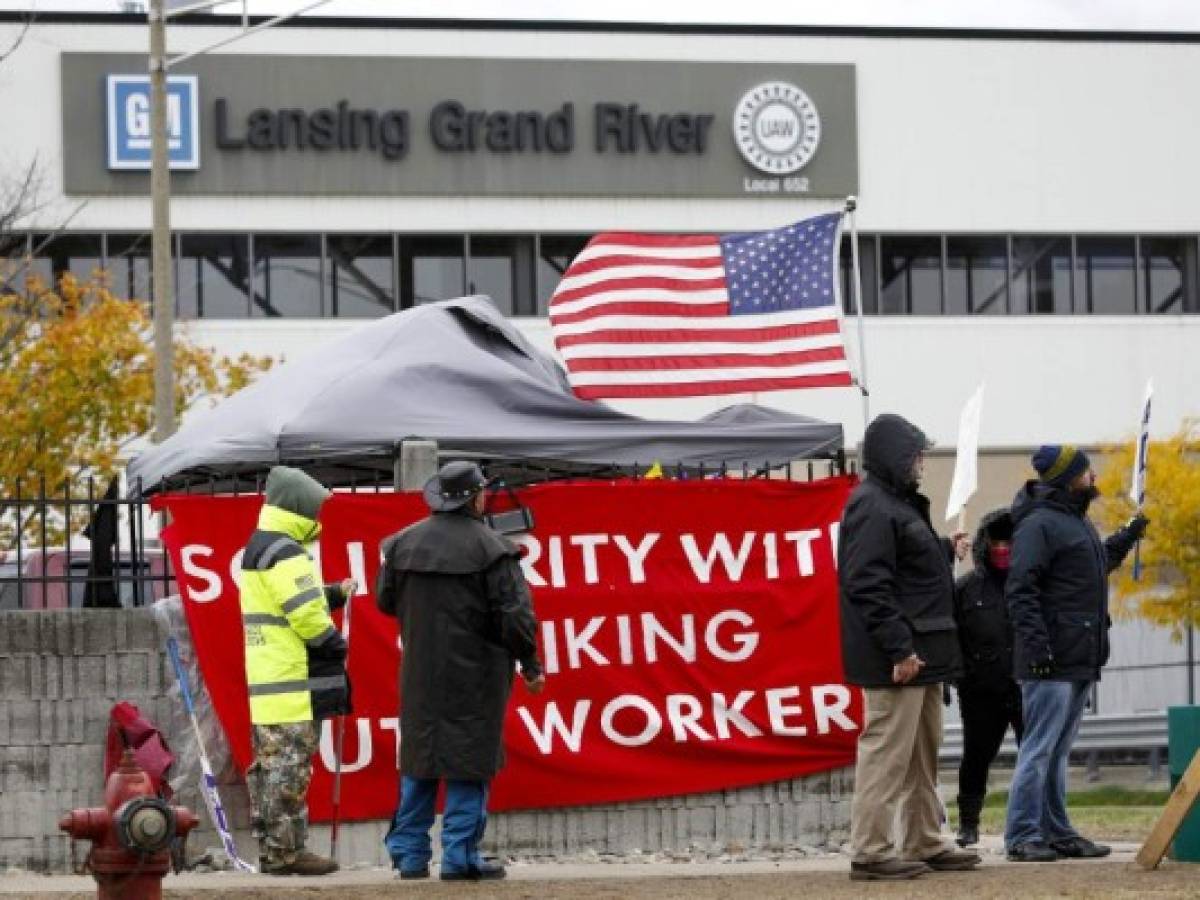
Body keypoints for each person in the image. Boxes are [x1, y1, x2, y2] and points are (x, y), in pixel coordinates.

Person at [376, 460, 544, 882]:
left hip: (419, 673)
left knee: (420, 759)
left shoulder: (400, 546)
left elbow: (385, 602)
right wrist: (531, 665)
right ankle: (459, 856)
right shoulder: (494, 550)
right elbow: (516, 619)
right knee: (469, 763)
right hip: (477, 676)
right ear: (477, 497)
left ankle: (410, 856)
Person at [839, 413, 981, 881]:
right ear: (895, 456)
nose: (922, 462)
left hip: (926, 658)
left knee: (923, 757)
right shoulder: (872, 506)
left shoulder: (898, 506)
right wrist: (900, 650)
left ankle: (924, 839)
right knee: (886, 756)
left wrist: (942, 550)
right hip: (897, 661)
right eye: (917, 454)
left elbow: (905, 567)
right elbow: (868, 585)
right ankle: (871, 851)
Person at [1004, 445, 1149, 862]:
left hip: (1079, 654)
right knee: (1039, 749)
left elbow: (1095, 565)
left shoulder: (1074, 521)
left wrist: (1128, 535)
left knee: (1057, 750)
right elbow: (1021, 589)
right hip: (1050, 659)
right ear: (1070, 478)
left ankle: (1057, 831)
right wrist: (1037, 648)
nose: (1095, 479)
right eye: (1088, 472)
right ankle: (1022, 835)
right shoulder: (1039, 524)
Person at [240, 465, 353, 877]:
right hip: (291, 683)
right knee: (289, 771)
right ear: (301, 507)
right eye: (316, 506)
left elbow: (284, 602)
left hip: (270, 680)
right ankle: (288, 854)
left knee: (271, 770)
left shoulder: (262, 546)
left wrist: (333, 594)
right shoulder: (287, 552)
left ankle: (275, 850)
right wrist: (335, 642)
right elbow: (304, 614)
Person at [952, 508, 1023, 847]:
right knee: (976, 757)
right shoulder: (965, 589)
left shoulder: (1029, 583)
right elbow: (951, 636)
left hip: (1025, 684)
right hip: (981, 689)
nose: (1002, 548)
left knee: (1036, 757)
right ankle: (968, 824)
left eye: (1009, 541)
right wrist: (960, 676)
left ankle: (1032, 822)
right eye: (996, 541)